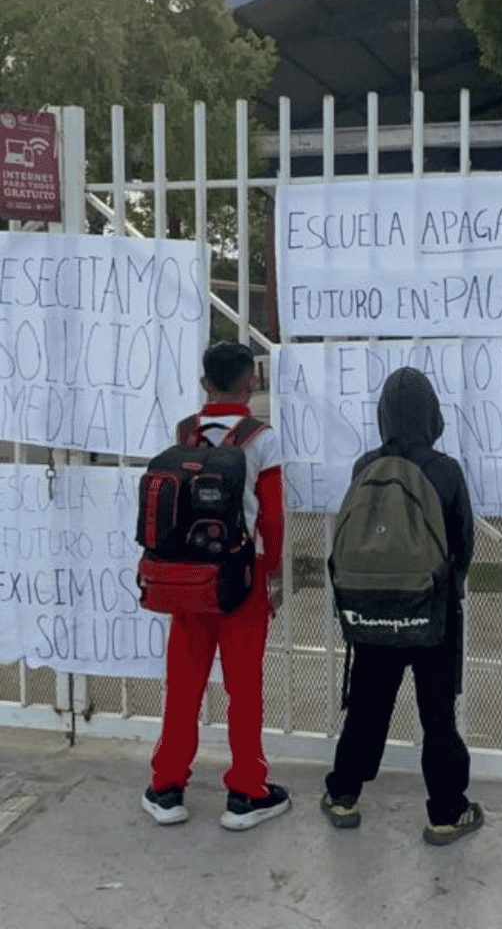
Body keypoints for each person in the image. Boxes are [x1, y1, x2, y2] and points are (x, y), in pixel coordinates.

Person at [322, 367, 483, 844]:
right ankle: (447, 812)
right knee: (437, 716)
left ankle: (343, 795)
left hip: (373, 613)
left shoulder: (365, 465)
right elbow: (464, 543)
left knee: (368, 707)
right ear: (432, 414)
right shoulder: (446, 469)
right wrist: (443, 588)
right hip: (431, 612)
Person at [143, 341, 290, 830]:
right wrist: (269, 574)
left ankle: (167, 787)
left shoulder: (185, 431)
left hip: (188, 575)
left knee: (184, 684)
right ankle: (247, 792)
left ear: (205, 383)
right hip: (240, 575)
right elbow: (272, 517)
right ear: (251, 381)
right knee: (244, 688)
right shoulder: (262, 438)